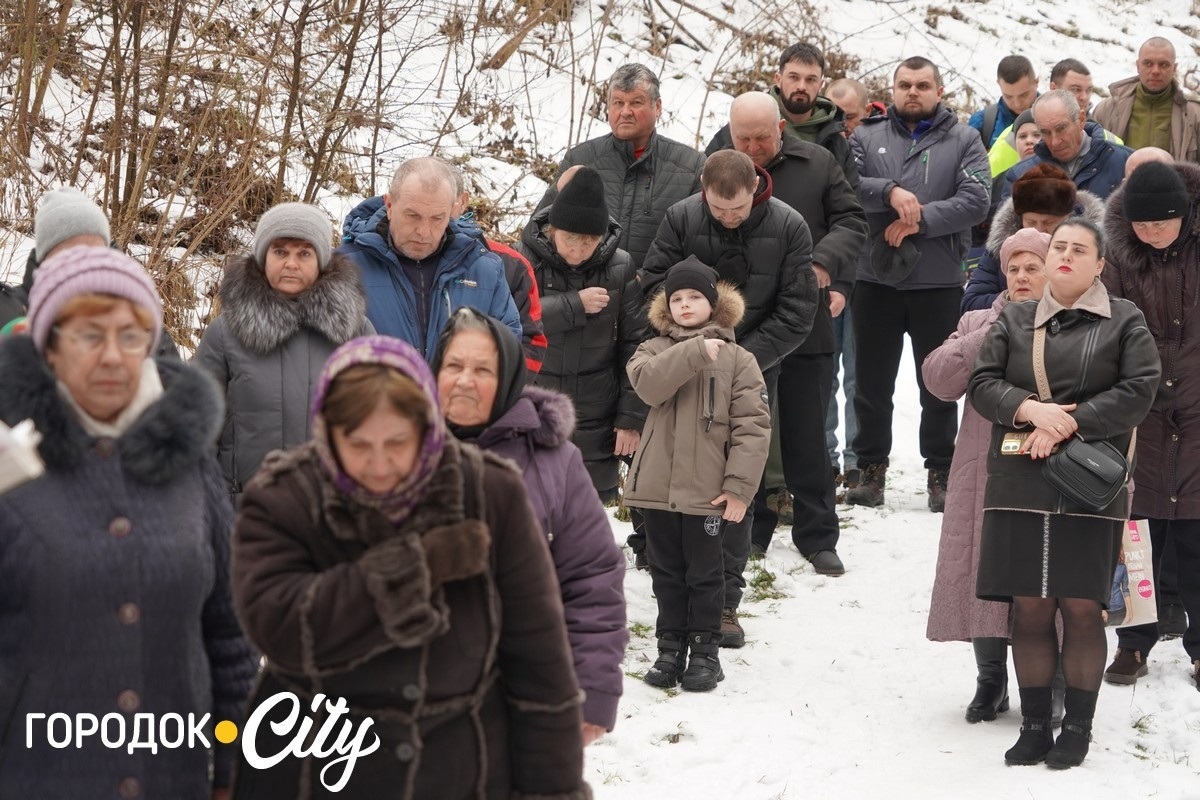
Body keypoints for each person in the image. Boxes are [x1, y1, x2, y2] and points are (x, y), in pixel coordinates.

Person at [230, 335, 590, 798]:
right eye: (357, 443)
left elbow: (539, 661)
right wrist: (412, 569)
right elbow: (279, 625)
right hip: (315, 765)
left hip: (461, 769)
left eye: (397, 442)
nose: (379, 465)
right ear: (326, 433)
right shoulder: (286, 496)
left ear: (428, 427)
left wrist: (552, 790)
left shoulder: (489, 492)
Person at [0, 246, 257, 796]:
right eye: (90, 335)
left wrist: (232, 764)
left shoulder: (192, 470)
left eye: (131, 335)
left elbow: (230, 639)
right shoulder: (10, 472)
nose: (114, 356)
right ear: (48, 348)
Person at [969, 218, 1160, 768]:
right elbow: (984, 384)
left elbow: (1139, 389)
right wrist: (1031, 410)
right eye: (1060, 248)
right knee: (1029, 607)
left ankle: (1077, 727)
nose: (1067, 256)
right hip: (1019, 478)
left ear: (1101, 264)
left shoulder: (1126, 320)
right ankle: (1033, 726)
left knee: (1080, 607)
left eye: (1081, 249)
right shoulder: (1016, 316)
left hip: (1090, 482)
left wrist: (1067, 424)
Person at [640, 149, 817, 646]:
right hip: (678, 369)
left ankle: (725, 605)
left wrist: (738, 359)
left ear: (756, 190)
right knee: (678, 478)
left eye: (736, 210)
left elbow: (799, 308)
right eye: (717, 210)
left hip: (753, 365)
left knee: (736, 481)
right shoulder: (680, 217)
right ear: (703, 191)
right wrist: (686, 345)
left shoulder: (789, 226)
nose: (727, 217)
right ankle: (676, 594)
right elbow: (656, 287)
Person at [431, 307, 629, 742]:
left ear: (509, 380)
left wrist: (592, 691)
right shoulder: (392, 450)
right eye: (454, 366)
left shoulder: (554, 462)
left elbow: (592, 578)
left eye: (483, 369)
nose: (465, 380)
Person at [721, 91, 868, 576]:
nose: (753, 146)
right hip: (744, 325)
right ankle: (753, 527)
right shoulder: (718, 161)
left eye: (762, 136)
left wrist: (826, 262)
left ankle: (818, 534)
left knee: (807, 431)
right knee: (749, 434)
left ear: (780, 128)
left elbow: (851, 219)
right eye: (743, 137)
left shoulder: (819, 162)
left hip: (807, 320)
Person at [845, 56, 991, 511]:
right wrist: (889, 191)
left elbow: (977, 200)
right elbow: (847, 185)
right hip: (874, 279)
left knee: (940, 384)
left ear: (938, 91)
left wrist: (920, 220)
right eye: (905, 84)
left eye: (922, 85)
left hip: (938, 281)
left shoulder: (965, 139)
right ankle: (870, 470)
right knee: (871, 383)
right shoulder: (866, 136)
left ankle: (941, 471)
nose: (913, 91)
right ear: (893, 90)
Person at [625, 257, 770, 691]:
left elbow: (753, 427)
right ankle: (670, 648)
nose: (685, 305)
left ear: (714, 304)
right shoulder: (652, 349)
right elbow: (648, 385)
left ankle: (706, 652)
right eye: (677, 299)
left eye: (694, 297)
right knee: (666, 573)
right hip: (657, 489)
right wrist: (692, 351)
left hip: (707, 492)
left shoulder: (740, 360)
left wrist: (739, 488)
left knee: (706, 574)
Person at [924, 228, 1051, 724]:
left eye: (1031, 267)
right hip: (983, 469)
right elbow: (937, 380)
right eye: (1012, 268)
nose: (1020, 277)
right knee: (981, 563)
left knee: (1043, 570)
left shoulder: (1070, 322)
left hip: (1046, 467)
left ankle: (1047, 681)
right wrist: (993, 330)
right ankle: (989, 678)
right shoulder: (978, 318)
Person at [194, 202, 374, 503]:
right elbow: (197, 428)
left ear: (321, 262)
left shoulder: (355, 332)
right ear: (264, 257)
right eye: (280, 252)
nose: (291, 263)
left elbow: (376, 421)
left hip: (330, 512)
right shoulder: (224, 334)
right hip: (245, 511)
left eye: (304, 253)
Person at [1101, 161, 1200, 691]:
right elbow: (1109, 321)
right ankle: (1134, 644)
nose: (1153, 234)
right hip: (1143, 410)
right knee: (1138, 534)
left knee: (1196, 535)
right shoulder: (1118, 252)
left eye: (1163, 224)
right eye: (1143, 226)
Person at [518, 166, 646, 503]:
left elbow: (636, 344)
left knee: (586, 508)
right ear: (553, 230)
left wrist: (630, 415)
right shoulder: (525, 259)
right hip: (537, 399)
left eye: (588, 242)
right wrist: (573, 304)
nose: (577, 251)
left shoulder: (620, 267)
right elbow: (510, 320)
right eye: (570, 240)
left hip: (596, 409)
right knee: (532, 502)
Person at [338, 156, 521, 360]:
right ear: (389, 205)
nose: (424, 232)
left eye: (437, 218)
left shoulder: (484, 269)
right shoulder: (344, 268)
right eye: (412, 216)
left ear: (452, 211)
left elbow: (506, 356)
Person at [534, 64, 704, 268]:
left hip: (659, 294)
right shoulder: (581, 159)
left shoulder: (690, 166)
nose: (625, 112)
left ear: (657, 107)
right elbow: (537, 234)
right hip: (588, 293)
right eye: (618, 103)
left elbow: (700, 247)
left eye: (636, 102)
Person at [0, 187, 181, 358]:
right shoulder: (9, 315)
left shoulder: (140, 324)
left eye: (95, 254)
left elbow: (176, 386)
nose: (85, 265)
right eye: (70, 255)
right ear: (44, 260)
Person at [707, 43, 857, 186]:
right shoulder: (743, 125)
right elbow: (705, 186)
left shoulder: (836, 141)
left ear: (821, 84)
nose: (801, 86)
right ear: (778, 79)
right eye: (794, 77)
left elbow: (849, 205)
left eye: (811, 79)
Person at [962, 164, 1105, 313]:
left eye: (1049, 223)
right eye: (1031, 222)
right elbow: (970, 303)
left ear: (1068, 218)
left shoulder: (1092, 248)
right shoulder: (1001, 247)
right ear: (1020, 219)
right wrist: (1019, 296)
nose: (1039, 229)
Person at [450, 168, 548, 374]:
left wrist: (501, 394)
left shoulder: (510, 264)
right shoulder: (372, 259)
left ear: (462, 201)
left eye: (443, 203)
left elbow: (531, 341)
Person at [1002, 91, 1132, 202]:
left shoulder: (1126, 163)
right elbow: (1007, 229)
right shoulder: (1020, 176)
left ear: (1081, 120)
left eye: (1061, 128)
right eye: (1045, 132)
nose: (1055, 142)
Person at [1093, 37, 1200, 162]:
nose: (1155, 71)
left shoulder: (1194, 115)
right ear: (1138, 65)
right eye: (1148, 63)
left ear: (1174, 68)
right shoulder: (1106, 110)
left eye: (1164, 65)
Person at [969, 55, 1039, 149]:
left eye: (1024, 95)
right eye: (1008, 96)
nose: (1017, 103)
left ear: (1036, 83)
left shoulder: (1056, 116)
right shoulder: (982, 123)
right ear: (999, 84)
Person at [987, 108, 1041, 178]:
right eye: (1023, 136)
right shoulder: (1003, 181)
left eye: (1037, 135)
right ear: (1015, 142)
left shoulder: (1058, 173)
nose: (1029, 140)